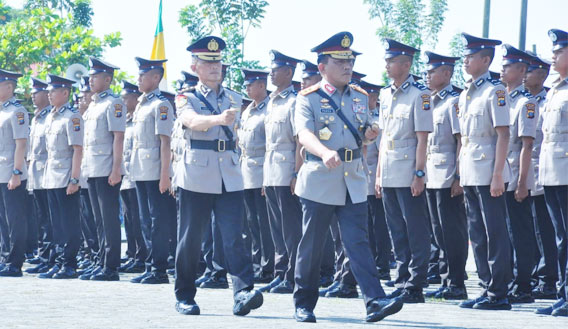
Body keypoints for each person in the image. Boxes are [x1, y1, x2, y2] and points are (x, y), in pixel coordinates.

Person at [293, 31, 403, 323]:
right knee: (313, 245)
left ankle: (375, 301)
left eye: (350, 61)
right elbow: (304, 134)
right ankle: (304, 302)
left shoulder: (360, 96)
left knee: (357, 242)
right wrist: (323, 150)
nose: (347, 66)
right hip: (319, 177)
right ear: (322, 67)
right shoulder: (308, 99)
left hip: (353, 179)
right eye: (340, 62)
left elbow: (366, 128)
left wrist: (371, 133)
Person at [174, 36, 263, 316]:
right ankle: (185, 295)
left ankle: (242, 292)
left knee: (235, 236)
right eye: (208, 63)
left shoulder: (234, 97)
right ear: (195, 66)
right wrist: (217, 120)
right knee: (191, 238)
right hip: (197, 173)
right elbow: (191, 121)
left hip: (229, 173)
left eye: (218, 62)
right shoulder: (185, 97)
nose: (215, 67)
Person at [457, 33, 513, 311]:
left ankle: (499, 292)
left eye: (471, 56)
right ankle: (485, 286)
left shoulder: (495, 91)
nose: (465, 60)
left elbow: (503, 135)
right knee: (477, 234)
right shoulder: (467, 92)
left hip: (489, 170)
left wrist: (497, 174)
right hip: (469, 170)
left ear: (486, 60)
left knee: (495, 233)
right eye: (464, 55)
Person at [376, 38, 433, 304]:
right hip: (388, 170)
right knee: (396, 228)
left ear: (406, 64)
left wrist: (419, 174)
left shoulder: (419, 95)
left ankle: (415, 283)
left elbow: (423, 138)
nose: (386, 65)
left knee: (415, 228)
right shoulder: (386, 94)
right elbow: (383, 136)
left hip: (409, 169)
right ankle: (401, 277)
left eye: (391, 61)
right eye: (386, 60)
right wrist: (377, 174)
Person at [422, 51, 468, 300]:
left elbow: (461, 140)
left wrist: (459, 176)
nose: (427, 75)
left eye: (432, 71)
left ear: (447, 73)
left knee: (453, 230)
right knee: (438, 231)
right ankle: (445, 278)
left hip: (448, 174)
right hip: (431, 173)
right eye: (427, 71)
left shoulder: (454, 100)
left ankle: (457, 282)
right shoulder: (429, 100)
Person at [260, 49, 303, 294]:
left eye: (275, 70)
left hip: (287, 169)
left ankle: (293, 275)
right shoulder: (272, 101)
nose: (271, 74)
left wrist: (296, 174)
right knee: (276, 227)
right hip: (271, 170)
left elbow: (299, 141)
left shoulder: (295, 101)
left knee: (291, 227)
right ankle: (280, 271)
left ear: (288, 72)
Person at [128, 57, 174, 285]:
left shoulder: (161, 105)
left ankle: (159, 269)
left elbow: (166, 142)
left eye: (142, 75)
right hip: (140, 168)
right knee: (145, 220)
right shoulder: (141, 104)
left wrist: (165, 174)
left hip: (156, 171)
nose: (138, 79)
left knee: (158, 220)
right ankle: (150, 266)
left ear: (156, 78)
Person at [499, 44, 539, 303]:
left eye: (507, 66)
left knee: (520, 232)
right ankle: (512, 280)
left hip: (516, 176)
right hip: (502, 175)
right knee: (506, 231)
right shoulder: (503, 99)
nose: (502, 69)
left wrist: (522, 183)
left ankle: (524, 284)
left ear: (521, 70)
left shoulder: (526, 103)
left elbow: (527, 146)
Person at [81, 57, 125, 281]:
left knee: (108, 218)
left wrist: (116, 169)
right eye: (90, 76)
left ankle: (111, 266)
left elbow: (118, 138)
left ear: (107, 79)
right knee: (98, 219)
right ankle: (100, 260)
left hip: (107, 167)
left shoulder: (113, 103)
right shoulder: (93, 105)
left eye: (95, 76)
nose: (91, 79)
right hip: (92, 167)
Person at [536, 28, 568, 317]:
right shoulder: (555, 88)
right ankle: (564, 293)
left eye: (559, 52)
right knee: (561, 236)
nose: (553, 57)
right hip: (552, 170)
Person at [39, 74, 83, 279]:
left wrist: (74, 179)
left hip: (66, 176)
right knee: (56, 222)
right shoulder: (51, 116)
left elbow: (77, 150)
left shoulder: (72, 117)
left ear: (65, 93)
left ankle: (69, 263)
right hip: (51, 176)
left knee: (69, 222)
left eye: (53, 91)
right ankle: (58, 261)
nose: (49, 94)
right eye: (48, 91)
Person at [524, 55, 558, 300]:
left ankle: (548, 278)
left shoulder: (548, 98)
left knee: (544, 228)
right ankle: (533, 274)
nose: (526, 74)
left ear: (543, 74)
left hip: (545, 169)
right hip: (524, 170)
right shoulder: (520, 100)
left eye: (530, 71)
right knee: (527, 228)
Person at [239, 68, 274, 284]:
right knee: (251, 222)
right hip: (246, 172)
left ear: (262, 85)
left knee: (265, 222)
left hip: (262, 170)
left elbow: (271, 144)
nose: (247, 88)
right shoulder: (248, 111)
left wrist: (267, 177)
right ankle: (255, 263)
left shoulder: (270, 109)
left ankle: (268, 265)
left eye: (250, 84)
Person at [0, 69, 29, 277]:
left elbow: (21, 144)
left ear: (9, 87)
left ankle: (15, 261)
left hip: (12, 173)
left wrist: (17, 172)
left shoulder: (17, 112)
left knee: (15, 219)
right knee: (3, 219)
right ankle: (5, 257)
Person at [24, 78, 53, 275]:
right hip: (36, 173)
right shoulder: (36, 118)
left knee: (50, 219)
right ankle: (44, 256)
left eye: (37, 92)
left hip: (49, 173)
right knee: (41, 218)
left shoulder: (51, 116)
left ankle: (52, 257)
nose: (33, 96)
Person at [118, 81, 146, 274]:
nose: (123, 100)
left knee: (138, 219)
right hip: (126, 177)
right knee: (129, 219)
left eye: (126, 97)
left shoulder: (138, 120)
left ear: (136, 99)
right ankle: (132, 253)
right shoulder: (126, 120)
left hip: (138, 176)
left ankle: (142, 256)